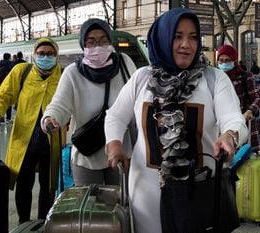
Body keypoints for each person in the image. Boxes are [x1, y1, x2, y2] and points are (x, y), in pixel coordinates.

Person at [104, 8, 248, 233]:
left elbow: (233, 118)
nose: (186, 45)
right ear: (162, 37)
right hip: (146, 193)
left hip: (199, 193)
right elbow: (115, 116)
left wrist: (229, 134)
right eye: (177, 36)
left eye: (193, 37)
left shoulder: (213, 79)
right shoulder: (142, 78)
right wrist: (114, 144)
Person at [40, 18, 137, 186]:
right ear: (83, 45)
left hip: (122, 151)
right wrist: (50, 118)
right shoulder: (73, 73)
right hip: (87, 156)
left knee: (120, 205)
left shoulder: (124, 64)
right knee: (91, 207)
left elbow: (138, 97)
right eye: (91, 42)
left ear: (110, 41)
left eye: (103, 41)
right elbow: (59, 104)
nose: (97, 47)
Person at [0, 37, 63, 225]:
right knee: (24, 185)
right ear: (34, 55)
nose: (45, 57)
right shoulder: (21, 71)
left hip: (52, 141)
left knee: (48, 187)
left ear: (56, 55)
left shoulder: (62, 75)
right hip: (25, 140)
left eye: (50, 54)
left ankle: (43, 223)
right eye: (41, 53)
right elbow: (3, 95)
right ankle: (24, 222)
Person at [217, 44, 260, 153]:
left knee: (245, 162)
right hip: (221, 128)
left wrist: (250, 111)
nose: (224, 64)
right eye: (221, 60)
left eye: (227, 60)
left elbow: (257, 98)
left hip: (243, 126)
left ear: (234, 61)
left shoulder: (245, 76)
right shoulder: (215, 78)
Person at [0, 52, 15, 123]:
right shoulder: (11, 65)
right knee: (8, 100)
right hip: (8, 85)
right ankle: (8, 118)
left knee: (0, 99)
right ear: (9, 57)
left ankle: (0, 116)